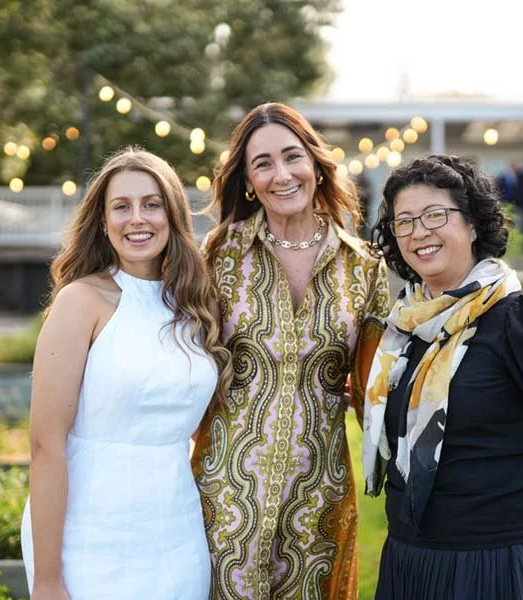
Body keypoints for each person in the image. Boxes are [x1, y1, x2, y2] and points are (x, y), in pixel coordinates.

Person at [363, 154, 523, 599]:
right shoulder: (407, 329)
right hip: (409, 555)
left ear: (473, 223)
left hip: (493, 561)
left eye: (435, 215)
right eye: (405, 222)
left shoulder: (518, 318)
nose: (419, 231)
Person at [192, 102, 391, 599]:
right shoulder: (218, 255)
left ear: (316, 165)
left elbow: (379, 394)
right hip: (224, 494)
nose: (281, 174)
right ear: (247, 181)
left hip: (318, 500)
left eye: (291, 156)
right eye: (263, 164)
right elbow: (182, 362)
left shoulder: (364, 268)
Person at [20, 147, 231, 599]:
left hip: (176, 532)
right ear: (103, 221)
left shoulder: (194, 306)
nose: (138, 218)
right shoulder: (82, 301)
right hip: (90, 533)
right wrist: (48, 578)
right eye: (122, 206)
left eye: (151, 204)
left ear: (172, 216)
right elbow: (44, 445)